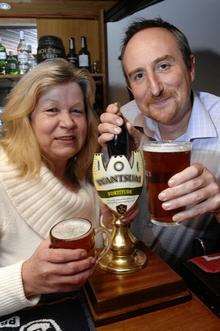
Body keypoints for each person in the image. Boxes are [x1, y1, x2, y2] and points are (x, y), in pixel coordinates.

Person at [98, 18, 220, 273]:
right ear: (131, 87)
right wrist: (112, 172)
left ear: (190, 67)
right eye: (139, 75)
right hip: (132, 268)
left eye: (164, 66)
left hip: (189, 284)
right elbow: (108, 217)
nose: (154, 88)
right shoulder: (125, 120)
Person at [0, 58, 100, 329]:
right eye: (52, 110)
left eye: (77, 111)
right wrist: (26, 280)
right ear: (26, 118)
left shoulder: (87, 176)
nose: (67, 123)